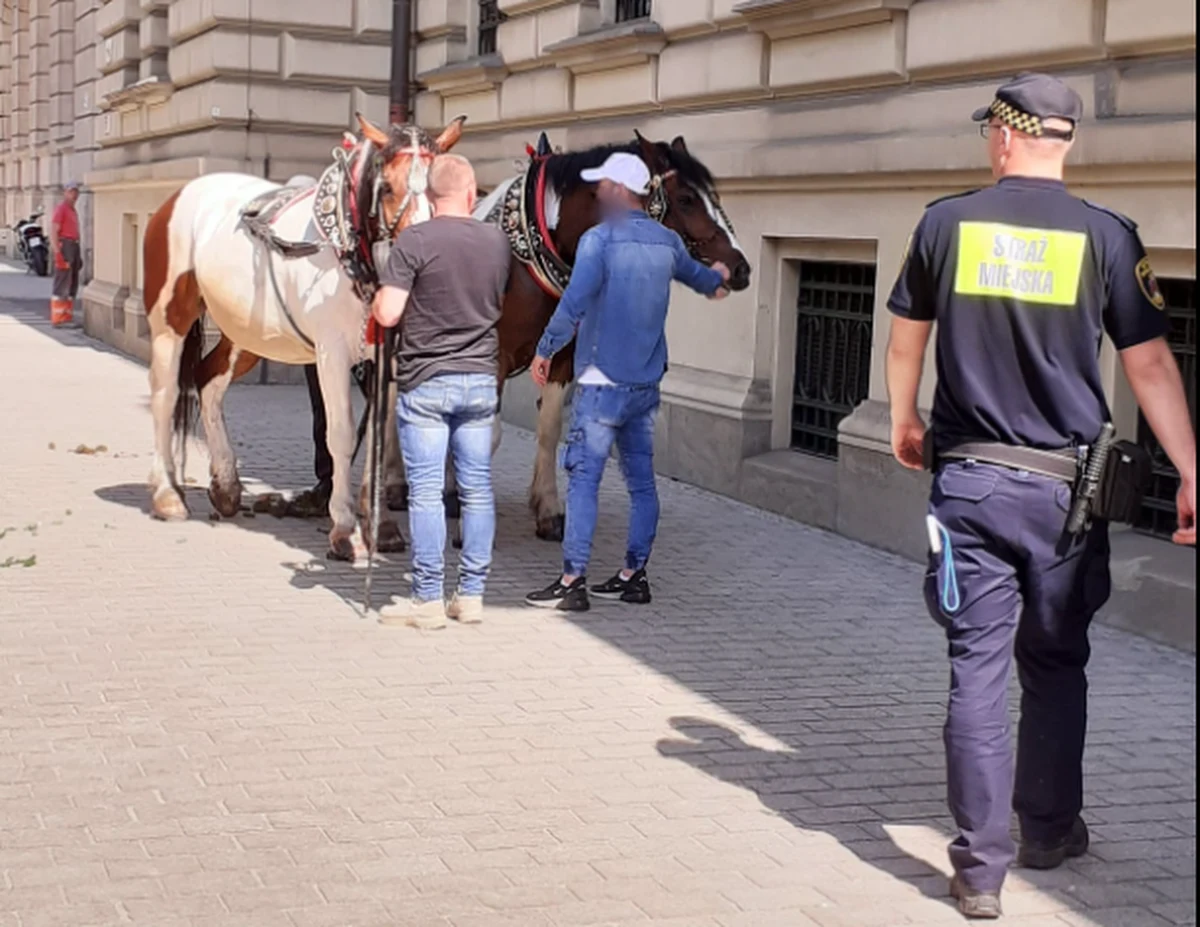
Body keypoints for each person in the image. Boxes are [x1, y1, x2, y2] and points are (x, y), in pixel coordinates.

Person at [884, 72, 1196, 919]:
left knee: (976, 670)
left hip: (972, 485)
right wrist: (1192, 468)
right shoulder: (1106, 235)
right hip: (1066, 495)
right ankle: (1049, 829)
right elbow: (1151, 364)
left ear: (1004, 136)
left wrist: (903, 420)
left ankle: (980, 871)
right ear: (1066, 141)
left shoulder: (945, 223)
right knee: (1056, 659)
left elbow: (906, 337)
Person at [524, 152, 731, 613]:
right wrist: (719, 278)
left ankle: (572, 580)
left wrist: (544, 349)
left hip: (601, 382)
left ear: (620, 190)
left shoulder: (599, 240)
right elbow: (706, 282)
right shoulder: (667, 242)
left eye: (603, 186)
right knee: (640, 482)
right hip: (645, 382)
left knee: (583, 478)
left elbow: (573, 303)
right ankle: (633, 576)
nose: (598, 193)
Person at [371, 153, 512, 630]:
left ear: (429, 198)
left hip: (426, 382)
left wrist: (379, 292)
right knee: (477, 491)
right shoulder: (497, 242)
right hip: (479, 381)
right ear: (472, 195)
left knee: (427, 493)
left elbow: (388, 314)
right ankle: (470, 596)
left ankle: (427, 599)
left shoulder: (415, 240)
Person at [49, 180, 83, 327]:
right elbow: (53, 230)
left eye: (76, 192)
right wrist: (57, 253)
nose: (74, 195)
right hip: (65, 245)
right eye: (71, 192)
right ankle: (58, 318)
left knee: (72, 282)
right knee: (63, 281)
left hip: (73, 245)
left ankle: (67, 317)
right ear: (65, 193)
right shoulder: (61, 209)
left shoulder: (72, 210)